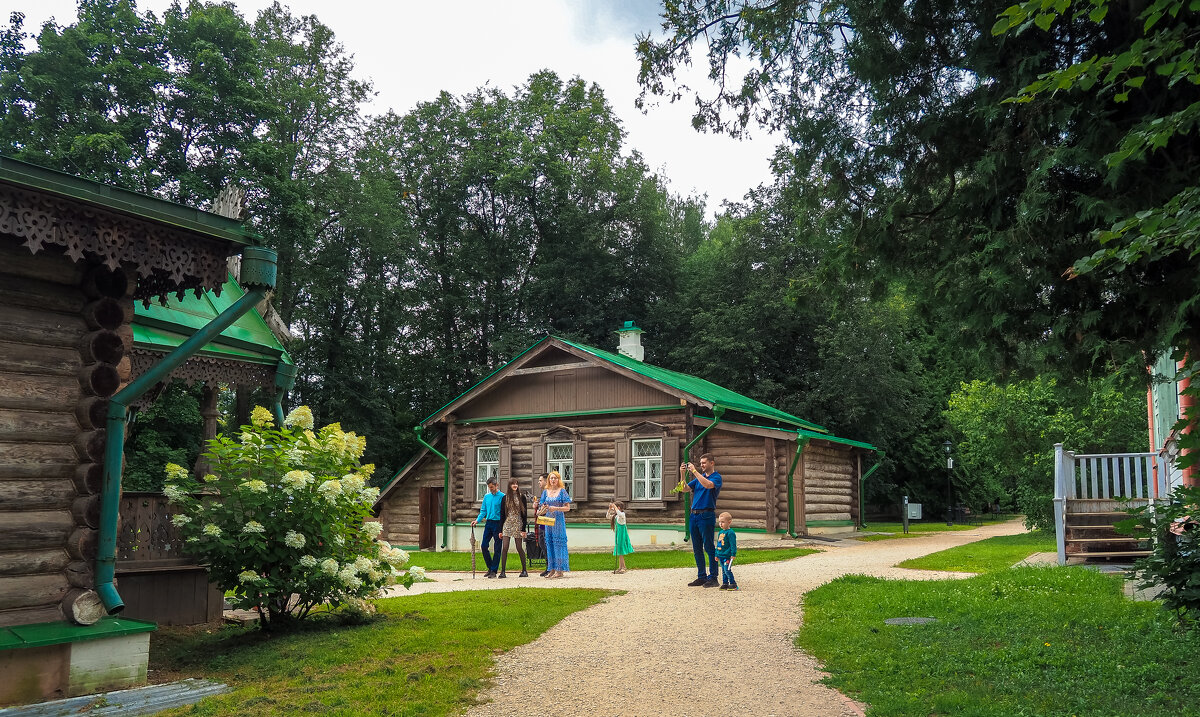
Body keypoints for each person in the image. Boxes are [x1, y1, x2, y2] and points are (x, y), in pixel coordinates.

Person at [679, 452, 722, 587]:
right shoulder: (699, 477)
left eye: (704, 463)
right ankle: (701, 576)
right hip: (694, 516)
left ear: (711, 463)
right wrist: (682, 473)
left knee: (709, 547)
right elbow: (684, 489)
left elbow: (708, 485)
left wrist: (694, 471)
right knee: (697, 548)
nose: (702, 465)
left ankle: (713, 577)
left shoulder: (716, 477)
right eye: (701, 463)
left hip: (706, 515)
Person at [539, 470, 572, 578]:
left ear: (558, 480)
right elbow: (542, 506)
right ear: (548, 480)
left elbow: (568, 507)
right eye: (551, 478)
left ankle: (560, 569)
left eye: (555, 478)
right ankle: (552, 569)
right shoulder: (545, 491)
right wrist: (541, 510)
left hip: (558, 520)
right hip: (548, 520)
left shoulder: (562, 491)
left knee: (558, 544)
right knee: (549, 543)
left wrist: (556, 508)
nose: (553, 480)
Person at [471, 477, 504, 578]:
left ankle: (494, 570)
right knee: (484, 546)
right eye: (489, 488)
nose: (491, 489)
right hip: (489, 523)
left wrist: (503, 527)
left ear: (496, 485)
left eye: (492, 487)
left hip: (498, 523)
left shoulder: (503, 496)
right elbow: (483, 511)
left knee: (497, 548)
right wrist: (477, 520)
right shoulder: (487, 496)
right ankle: (490, 567)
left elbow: (504, 513)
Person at [497, 478, 529, 578]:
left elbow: (525, 514)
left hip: (518, 523)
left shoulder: (521, 497)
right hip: (507, 524)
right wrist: (500, 530)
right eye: (513, 484)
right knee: (505, 547)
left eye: (516, 484)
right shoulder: (505, 498)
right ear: (509, 486)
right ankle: (502, 571)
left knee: (519, 547)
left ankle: (524, 570)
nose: (515, 485)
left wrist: (523, 529)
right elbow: (502, 514)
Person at [606, 500, 634, 573]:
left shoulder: (622, 515)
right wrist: (609, 509)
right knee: (619, 550)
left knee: (620, 550)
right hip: (618, 535)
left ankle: (623, 568)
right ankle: (621, 567)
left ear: (618, 507)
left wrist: (615, 507)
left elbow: (619, 513)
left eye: (615, 507)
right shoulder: (616, 516)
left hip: (622, 535)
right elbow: (607, 517)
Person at [715, 511, 738, 590]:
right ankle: (725, 583)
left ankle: (733, 583)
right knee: (723, 571)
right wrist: (716, 554)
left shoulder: (730, 533)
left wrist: (733, 554)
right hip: (721, 555)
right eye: (719, 522)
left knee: (727, 569)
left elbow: (733, 544)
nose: (721, 524)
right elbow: (718, 544)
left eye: (723, 522)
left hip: (727, 556)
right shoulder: (720, 533)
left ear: (729, 522)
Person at [532, 473, 550, 577]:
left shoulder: (548, 492)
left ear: (545, 481)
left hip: (547, 519)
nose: (539, 482)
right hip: (542, 519)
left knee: (545, 541)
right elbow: (542, 505)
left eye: (540, 480)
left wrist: (539, 508)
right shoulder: (543, 493)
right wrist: (537, 505)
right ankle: (548, 566)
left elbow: (546, 505)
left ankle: (550, 566)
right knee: (542, 540)